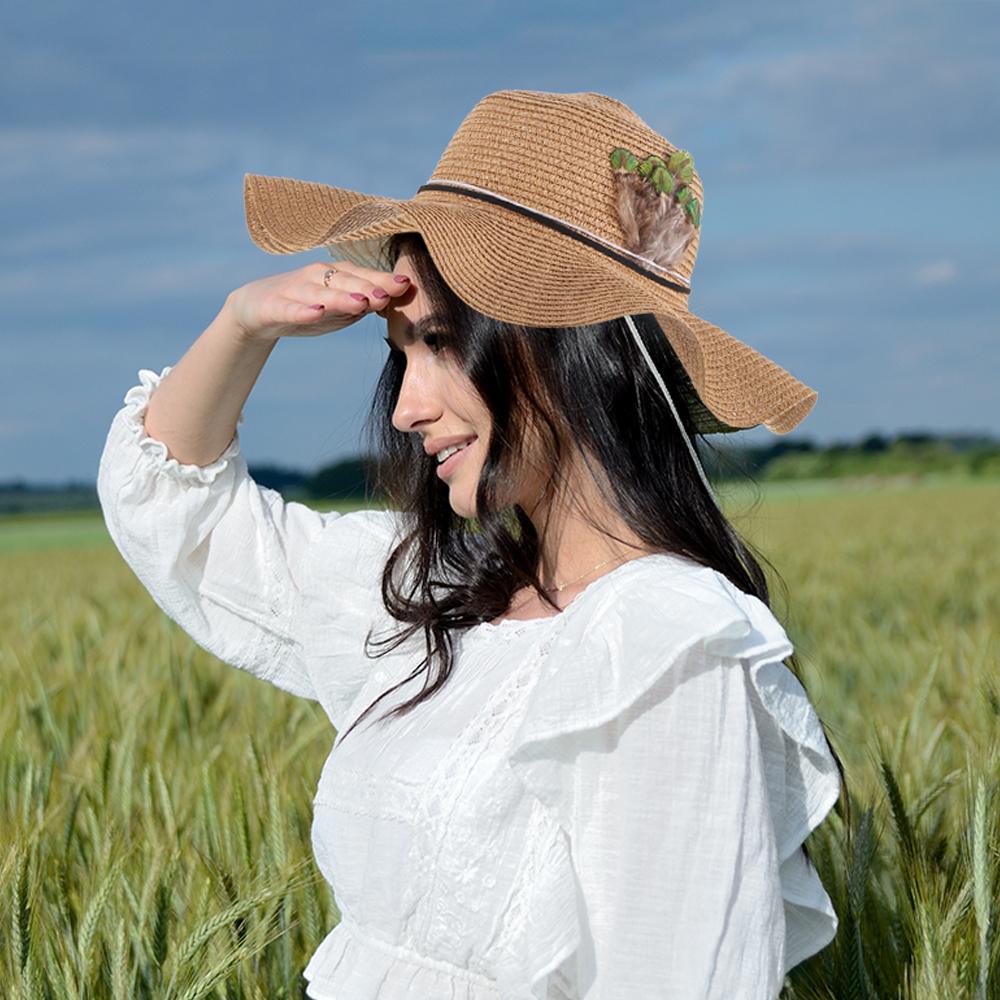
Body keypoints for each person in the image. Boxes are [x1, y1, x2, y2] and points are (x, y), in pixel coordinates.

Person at [97, 89, 846, 999]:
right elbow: (182, 523)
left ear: (561, 347)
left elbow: (682, 975)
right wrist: (241, 325)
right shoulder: (442, 594)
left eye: (440, 343)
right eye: (398, 354)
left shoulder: (667, 647)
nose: (406, 408)